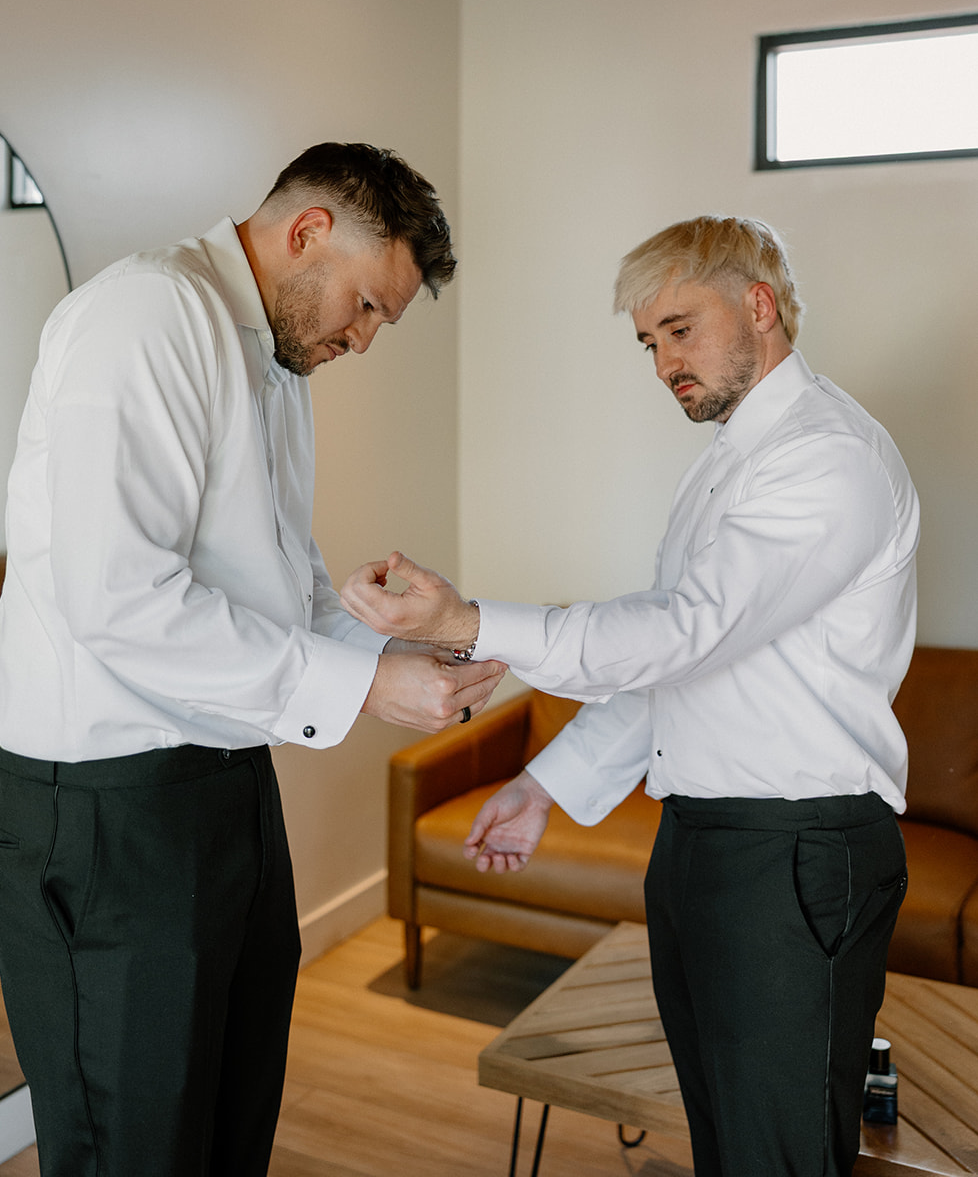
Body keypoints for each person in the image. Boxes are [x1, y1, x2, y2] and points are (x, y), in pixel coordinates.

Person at [342, 214, 919, 1177]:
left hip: (794, 852)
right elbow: (680, 667)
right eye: (648, 344)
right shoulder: (726, 467)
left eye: (680, 330)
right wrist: (545, 786)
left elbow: (677, 630)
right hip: (704, 843)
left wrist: (465, 623)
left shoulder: (828, 460)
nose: (662, 365)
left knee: (775, 1158)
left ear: (760, 305)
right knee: (728, 1142)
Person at [0, 141, 505, 1177]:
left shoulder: (272, 360)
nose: (361, 338)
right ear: (306, 232)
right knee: (134, 1147)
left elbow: (283, 589)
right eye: (364, 306)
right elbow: (120, 598)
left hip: (221, 797)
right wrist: (362, 684)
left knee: (227, 1124)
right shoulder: (146, 318)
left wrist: (409, 646)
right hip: (105, 814)